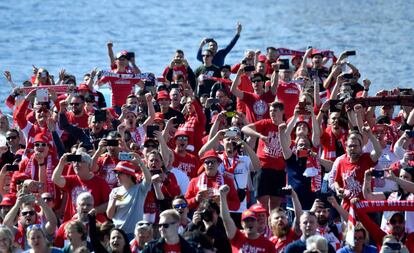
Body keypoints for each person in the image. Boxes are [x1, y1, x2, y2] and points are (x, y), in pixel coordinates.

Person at [241, 101, 286, 211]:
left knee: (275, 206)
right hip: (263, 168)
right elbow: (245, 129)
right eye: (270, 111)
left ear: (282, 112)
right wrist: (259, 135)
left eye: (274, 111)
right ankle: (262, 227)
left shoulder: (286, 126)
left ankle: (271, 228)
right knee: (262, 205)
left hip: (279, 170)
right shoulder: (265, 123)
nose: (272, 113)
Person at [52, 151, 111, 222]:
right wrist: (61, 163)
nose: (76, 164)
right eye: (74, 162)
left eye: (79, 161)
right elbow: (55, 179)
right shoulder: (72, 180)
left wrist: (94, 211)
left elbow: (109, 202)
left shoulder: (100, 182)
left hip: (94, 222)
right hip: (73, 222)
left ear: (89, 165)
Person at [333, 128, 382, 210]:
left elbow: (378, 152)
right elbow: (336, 181)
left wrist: (370, 134)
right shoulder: (341, 162)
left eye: (355, 146)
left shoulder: (366, 158)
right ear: (346, 147)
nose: (352, 148)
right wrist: (338, 190)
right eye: (350, 146)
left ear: (361, 146)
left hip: (366, 207)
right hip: (348, 207)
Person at [218, 184, 276, 253]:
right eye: (246, 221)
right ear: (242, 224)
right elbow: (226, 219)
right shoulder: (236, 237)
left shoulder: (268, 245)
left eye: (252, 220)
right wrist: (222, 196)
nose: (249, 223)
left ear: (257, 222)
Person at [106, 159, 151, 239]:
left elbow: (148, 180)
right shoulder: (115, 191)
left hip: (133, 234)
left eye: (120, 173)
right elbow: (109, 216)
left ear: (129, 175)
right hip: (118, 233)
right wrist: (113, 202)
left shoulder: (140, 189)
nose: (117, 175)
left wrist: (140, 162)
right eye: (116, 173)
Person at [269, 187, 303, 252]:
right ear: (270, 223)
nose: (280, 219)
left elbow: (299, 219)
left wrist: (294, 196)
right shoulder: (270, 242)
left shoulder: (293, 235)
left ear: (287, 220)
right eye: (277, 218)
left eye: (283, 217)